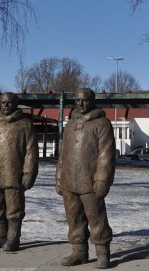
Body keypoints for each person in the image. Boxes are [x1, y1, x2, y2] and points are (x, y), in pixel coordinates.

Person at [56, 88, 115, 269]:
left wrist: (102, 180)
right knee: (74, 217)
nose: (80, 104)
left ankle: (102, 251)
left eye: (84, 100)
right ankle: (79, 251)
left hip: (90, 180)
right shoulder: (70, 124)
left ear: (92, 101)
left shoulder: (102, 123)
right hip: (69, 180)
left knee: (96, 217)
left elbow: (106, 155)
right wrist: (59, 176)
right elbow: (63, 153)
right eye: (77, 101)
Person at [0, 92, 39, 252]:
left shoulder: (25, 124)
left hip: (14, 175)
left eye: (10, 102)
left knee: (14, 210)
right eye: (3, 102)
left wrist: (28, 173)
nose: (6, 105)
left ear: (16, 104)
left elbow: (31, 151)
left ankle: (13, 238)